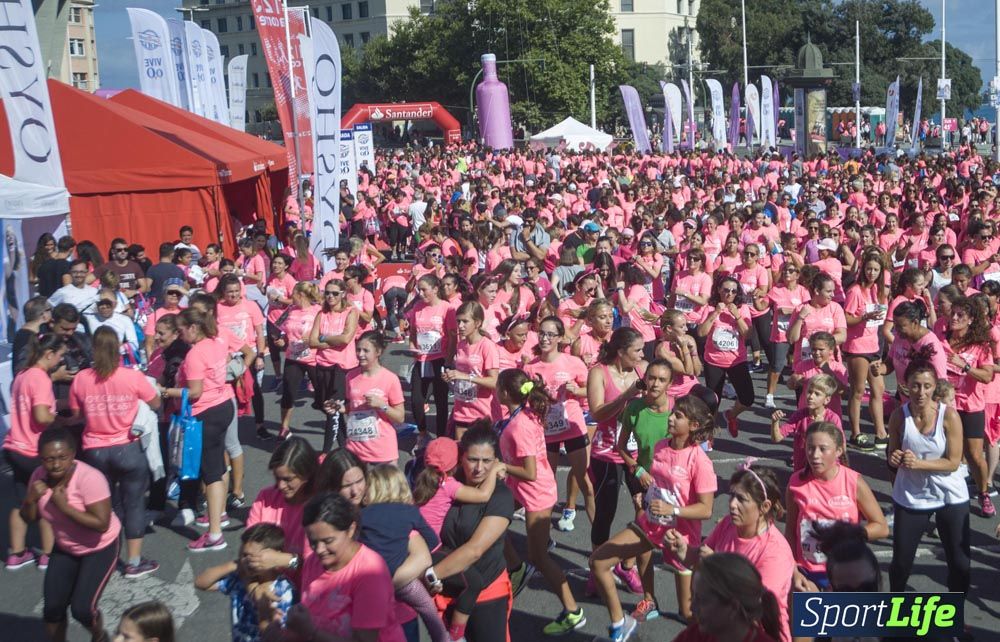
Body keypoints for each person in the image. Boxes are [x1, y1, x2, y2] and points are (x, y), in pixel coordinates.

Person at [590, 395, 716, 637]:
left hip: (680, 538)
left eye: (678, 416)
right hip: (651, 524)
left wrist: (673, 510)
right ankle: (622, 624)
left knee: (688, 614)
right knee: (598, 562)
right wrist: (645, 497)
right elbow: (660, 484)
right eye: (673, 413)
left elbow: (706, 509)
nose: (670, 417)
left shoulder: (699, 461)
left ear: (694, 426)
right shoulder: (661, 446)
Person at [494, 368, 585, 634]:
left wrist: (500, 466)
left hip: (535, 491)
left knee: (540, 557)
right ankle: (516, 567)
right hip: (520, 487)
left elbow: (530, 472)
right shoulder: (522, 414)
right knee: (491, 520)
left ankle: (573, 611)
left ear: (506, 393)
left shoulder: (520, 425)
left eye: (499, 387)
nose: (495, 391)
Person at [68, 327, 161, 578]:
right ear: (119, 347)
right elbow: (155, 402)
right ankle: (133, 561)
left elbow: (77, 415)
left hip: (95, 451)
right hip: (128, 447)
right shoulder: (131, 377)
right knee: (133, 504)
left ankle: (101, 559)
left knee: (103, 507)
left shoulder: (81, 378)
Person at [665, 463, 794, 642]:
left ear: (764, 506)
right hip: (721, 624)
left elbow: (753, 607)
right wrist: (683, 550)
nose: (732, 504)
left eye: (741, 499)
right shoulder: (728, 524)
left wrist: (719, 571)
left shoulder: (775, 553)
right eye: (731, 495)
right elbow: (700, 559)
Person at [21, 427, 122, 642]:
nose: (56, 465)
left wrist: (64, 507)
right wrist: (30, 499)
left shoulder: (90, 478)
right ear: (41, 459)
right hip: (65, 546)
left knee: (82, 610)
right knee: (52, 609)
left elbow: (102, 524)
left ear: (73, 455)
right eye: (49, 459)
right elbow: (29, 518)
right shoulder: (38, 477)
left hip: (100, 547)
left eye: (62, 458)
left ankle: (99, 636)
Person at [887, 360, 970, 597]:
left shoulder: (949, 416)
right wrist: (894, 459)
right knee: (901, 563)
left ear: (935, 387)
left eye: (927, 386)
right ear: (905, 385)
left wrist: (918, 464)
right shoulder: (898, 417)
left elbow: (953, 462)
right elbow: (892, 454)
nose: (921, 392)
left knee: (960, 563)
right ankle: (895, 614)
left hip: (949, 495)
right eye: (915, 385)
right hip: (912, 495)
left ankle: (956, 618)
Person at [425, 427, 515, 642]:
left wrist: (430, 575)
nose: (479, 468)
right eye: (473, 460)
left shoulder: (501, 496)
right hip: (449, 588)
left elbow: (475, 550)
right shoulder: (448, 485)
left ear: (496, 461)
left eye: (487, 461)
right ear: (461, 456)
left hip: (486, 592)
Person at [158, 308, 236, 552]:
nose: (180, 336)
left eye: (181, 330)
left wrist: (165, 391)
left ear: (193, 328)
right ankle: (219, 515)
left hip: (205, 412)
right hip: (223, 405)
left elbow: (194, 392)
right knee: (219, 466)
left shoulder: (194, 355)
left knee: (210, 472)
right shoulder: (216, 342)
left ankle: (215, 535)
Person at [278, 492, 405, 641]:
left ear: (351, 530)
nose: (319, 549)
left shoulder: (370, 572)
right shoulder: (313, 561)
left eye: (328, 541)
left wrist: (311, 632)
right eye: (313, 542)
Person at [785, 422, 888, 592]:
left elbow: (881, 527)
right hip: (808, 573)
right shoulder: (796, 483)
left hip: (845, 572)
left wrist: (847, 535)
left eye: (823, 449)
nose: (815, 455)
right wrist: (793, 570)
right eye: (810, 448)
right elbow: (790, 531)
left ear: (838, 451)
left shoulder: (853, 481)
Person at [586, 327, 647, 595]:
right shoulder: (599, 372)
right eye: (637, 351)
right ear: (621, 352)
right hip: (605, 454)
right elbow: (598, 414)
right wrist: (626, 396)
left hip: (635, 454)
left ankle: (627, 564)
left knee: (645, 510)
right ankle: (597, 567)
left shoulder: (640, 370)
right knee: (604, 516)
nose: (642, 355)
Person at [358, 465, 449, 642]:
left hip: (371, 579)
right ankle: (442, 637)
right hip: (405, 580)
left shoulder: (362, 515)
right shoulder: (409, 512)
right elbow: (432, 540)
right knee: (426, 607)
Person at [524, 316, 594, 533]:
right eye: (541, 333)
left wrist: (576, 390)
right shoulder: (530, 368)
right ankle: (541, 537)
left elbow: (590, 391)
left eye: (550, 334)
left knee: (585, 481)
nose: (544, 338)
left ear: (560, 338)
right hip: (547, 431)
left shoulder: (573, 362)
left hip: (572, 426)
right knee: (546, 483)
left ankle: (599, 537)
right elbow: (525, 400)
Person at [4, 333, 63, 570]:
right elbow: (40, 416)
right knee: (47, 503)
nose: (59, 362)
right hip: (33, 449)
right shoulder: (40, 378)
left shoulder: (22, 374)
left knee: (21, 502)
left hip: (14, 445)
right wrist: (57, 420)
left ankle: (17, 553)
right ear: (48, 354)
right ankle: (48, 555)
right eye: (58, 357)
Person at [194, 523, 296, 641]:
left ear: (273, 558)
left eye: (252, 557)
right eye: (243, 555)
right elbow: (201, 582)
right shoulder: (240, 579)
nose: (247, 561)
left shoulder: (285, 593)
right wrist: (235, 565)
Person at [942, 297, 996, 516]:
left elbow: (987, 375)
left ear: (971, 320)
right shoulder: (941, 340)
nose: (954, 318)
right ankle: (945, 501)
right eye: (952, 313)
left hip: (971, 406)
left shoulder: (981, 346)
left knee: (974, 455)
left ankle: (983, 493)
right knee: (945, 453)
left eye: (960, 315)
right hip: (946, 407)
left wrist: (964, 366)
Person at [245, 437, 319, 575]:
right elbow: (249, 548)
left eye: (288, 479)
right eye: (277, 478)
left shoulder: (319, 508)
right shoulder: (265, 498)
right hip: (266, 580)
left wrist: (284, 560)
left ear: (307, 474)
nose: (280, 486)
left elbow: (319, 564)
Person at [669, 553, 782, 642]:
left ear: (732, 607)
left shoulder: (773, 554)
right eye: (693, 598)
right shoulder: (697, 635)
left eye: (701, 600)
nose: (692, 607)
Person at [336, 331, 405, 465]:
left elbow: (400, 417)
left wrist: (382, 405)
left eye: (366, 351)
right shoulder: (350, 376)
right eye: (358, 350)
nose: (360, 354)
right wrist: (340, 408)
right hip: (355, 448)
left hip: (382, 450)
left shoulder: (390, 379)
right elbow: (353, 407)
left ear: (378, 352)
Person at [697, 275, 754, 437]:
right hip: (714, 360)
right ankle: (709, 434)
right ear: (719, 291)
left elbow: (748, 335)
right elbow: (701, 332)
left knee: (748, 398)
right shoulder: (709, 308)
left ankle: (731, 415)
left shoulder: (742, 309)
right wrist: (715, 313)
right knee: (713, 401)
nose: (730, 294)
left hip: (736, 360)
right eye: (726, 290)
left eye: (734, 291)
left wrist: (737, 316)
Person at [843, 251, 889, 447]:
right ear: (863, 269)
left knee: (879, 389)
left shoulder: (879, 291)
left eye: (876, 270)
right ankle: (855, 433)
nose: (872, 273)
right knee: (858, 390)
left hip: (874, 345)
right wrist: (864, 318)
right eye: (869, 268)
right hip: (857, 346)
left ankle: (881, 432)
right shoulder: (855, 291)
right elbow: (846, 318)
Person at [309, 278, 359, 451]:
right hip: (323, 366)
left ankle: (326, 452)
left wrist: (324, 338)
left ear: (343, 294)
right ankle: (345, 448)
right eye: (327, 293)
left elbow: (346, 338)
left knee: (333, 410)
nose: (330, 296)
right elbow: (312, 341)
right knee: (330, 411)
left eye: (334, 293)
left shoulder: (351, 312)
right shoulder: (321, 314)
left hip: (342, 367)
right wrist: (331, 341)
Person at [442, 301, 500, 440]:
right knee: (462, 457)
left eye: (465, 321)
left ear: (478, 323)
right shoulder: (461, 344)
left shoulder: (487, 346)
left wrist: (465, 377)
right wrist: (451, 377)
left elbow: (494, 382)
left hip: (482, 414)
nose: (460, 326)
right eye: (458, 321)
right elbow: (461, 375)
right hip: (461, 410)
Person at [756, 261, 809, 408]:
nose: (787, 273)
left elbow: (809, 310)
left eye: (791, 270)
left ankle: (802, 396)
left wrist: (790, 311)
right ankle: (769, 396)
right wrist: (755, 298)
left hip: (800, 334)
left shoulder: (803, 291)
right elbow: (761, 306)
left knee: (800, 365)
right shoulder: (776, 290)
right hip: (781, 334)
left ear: (797, 275)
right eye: (785, 270)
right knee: (777, 365)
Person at [406, 274, 450, 448]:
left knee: (441, 400)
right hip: (421, 359)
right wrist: (411, 346)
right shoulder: (417, 308)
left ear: (435, 289)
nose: (420, 293)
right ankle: (423, 434)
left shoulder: (446, 308)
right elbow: (413, 334)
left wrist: (448, 359)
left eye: (424, 289)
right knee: (417, 400)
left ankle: (440, 437)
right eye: (419, 289)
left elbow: (452, 336)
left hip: (439, 359)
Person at [274, 282, 321, 440]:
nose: (290, 297)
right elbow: (280, 329)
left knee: (323, 396)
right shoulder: (290, 310)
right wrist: (281, 340)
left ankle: (335, 425)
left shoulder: (318, 311)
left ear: (301, 295)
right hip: (293, 358)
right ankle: (284, 427)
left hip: (314, 358)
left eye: (293, 294)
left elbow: (327, 332)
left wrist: (314, 337)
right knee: (288, 393)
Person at [770, 374, 844, 471]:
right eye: (809, 392)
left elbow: (840, 447)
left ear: (827, 399)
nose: (810, 396)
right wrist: (775, 422)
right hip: (801, 469)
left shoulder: (833, 419)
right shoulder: (799, 415)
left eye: (817, 394)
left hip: (824, 470)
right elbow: (777, 438)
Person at [264, 253, 297, 389]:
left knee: (290, 348)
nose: (275, 265)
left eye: (279, 263)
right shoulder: (271, 277)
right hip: (272, 318)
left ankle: (295, 375)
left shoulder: (290, 281)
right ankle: (278, 376)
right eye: (274, 263)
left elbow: (295, 301)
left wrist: (280, 299)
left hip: (286, 318)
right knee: (273, 348)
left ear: (286, 266)